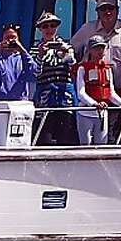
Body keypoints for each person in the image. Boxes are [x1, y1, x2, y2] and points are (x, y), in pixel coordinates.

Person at [29, 12, 79, 147]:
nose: (49, 29)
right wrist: (40, 55)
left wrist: (65, 53)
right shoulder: (35, 50)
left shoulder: (67, 47)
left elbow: (72, 64)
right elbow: (35, 72)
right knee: (44, 134)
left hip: (65, 98)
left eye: (52, 26)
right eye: (45, 26)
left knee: (66, 134)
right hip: (45, 98)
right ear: (40, 29)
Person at [69, 0, 121, 89]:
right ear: (97, 12)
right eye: (103, 9)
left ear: (117, 10)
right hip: (92, 90)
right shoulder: (87, 29)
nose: (107, 12)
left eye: (111, 8)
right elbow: (71, 50)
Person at [74, 35, 121, 146]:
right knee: (86, 145)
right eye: (96, 48)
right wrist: (94, 103)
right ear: (90, 50)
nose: (100, 51)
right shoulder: (83, 68)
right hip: (85, 113)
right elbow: (81, 92)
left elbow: (111, 93)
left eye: (102, 48)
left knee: (102, 145)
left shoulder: (107, 69)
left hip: (102, 113)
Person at [0, 22, 37, 132]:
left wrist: (22, 50)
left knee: (19, 141)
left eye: (13, 38)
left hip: (19, 105)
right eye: (7, 38)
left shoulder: (23, 58)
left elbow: (33, 72)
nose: (10, 41)